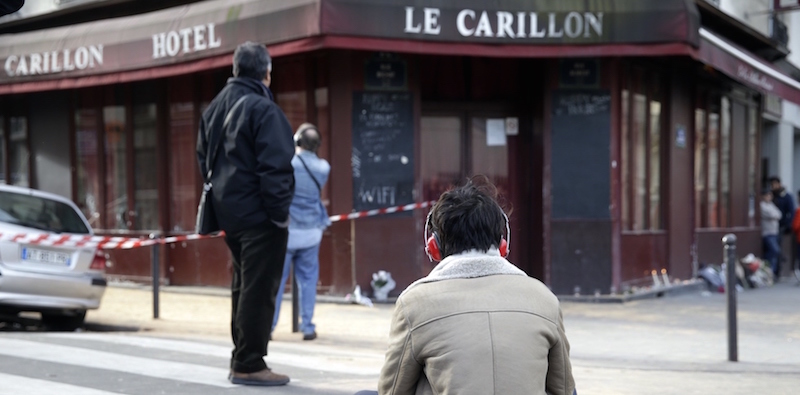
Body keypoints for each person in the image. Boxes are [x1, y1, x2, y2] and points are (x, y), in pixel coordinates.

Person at [359, 177, 576, 395]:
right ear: (503, 247)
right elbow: (565, 389)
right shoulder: (544, 298)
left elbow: (392, 390)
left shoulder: (414, 303)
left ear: (433, 247)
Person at [196, 41, 295, 386]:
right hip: (261, 216)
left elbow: (202, 158)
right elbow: (277, 167)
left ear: (236, 70)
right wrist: (278, 214)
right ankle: (249, 363)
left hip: (229, 214)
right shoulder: (263, 109)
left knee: (243, 285)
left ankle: (242, 356)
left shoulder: (214, 107)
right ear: (266, 72)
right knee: (258, 288)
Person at [272, 123, 331, 341]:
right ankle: (307, 326)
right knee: (307, 281)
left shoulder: (290, 164)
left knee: (277, 282)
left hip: (287, 232)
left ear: (297, 141)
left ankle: (270, 326)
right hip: (311, 232)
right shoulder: (323, 167)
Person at [761, 188, 783, 280]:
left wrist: (775, 215)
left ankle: (771, 273)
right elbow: (772, 215)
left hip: (774, 232)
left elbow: (779, 214)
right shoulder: (762, 205)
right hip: (767, 232)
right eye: (767, 195)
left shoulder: (771, 204)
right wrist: (775, 215)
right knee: (774, 251)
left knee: (775, 254)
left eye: (770, 195)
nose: (769, 197)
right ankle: (767, 268)